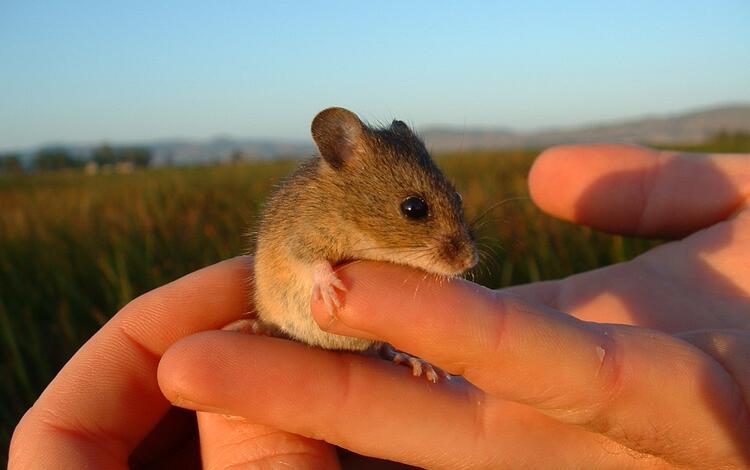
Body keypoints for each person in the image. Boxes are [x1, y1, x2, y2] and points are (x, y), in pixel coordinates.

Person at [9, 144, 750, 469]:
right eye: (419, 210)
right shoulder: (315, 206)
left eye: (448, 205)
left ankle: (390, 348)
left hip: (353, 342)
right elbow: (286, 241)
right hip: (285, 312)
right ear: (344, 163)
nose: (455, 237)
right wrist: (315, 271)